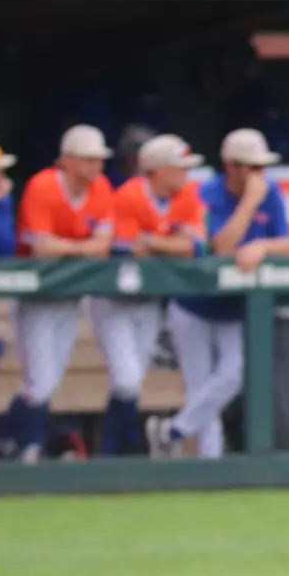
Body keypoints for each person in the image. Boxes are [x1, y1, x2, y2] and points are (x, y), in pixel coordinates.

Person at [148, 129, 289, 459]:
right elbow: (219, 246)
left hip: (234, 309)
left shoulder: (270, 191)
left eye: (261, 167)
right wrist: (249, 203)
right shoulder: (204, 192)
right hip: (193, 304)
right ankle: (208, 464)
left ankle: (171, 432)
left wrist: (261, 245)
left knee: (233, 376)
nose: (259, 175)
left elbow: (287, 241)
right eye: (251, 167)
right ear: (232, 166)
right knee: (200, 389)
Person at [0, 125, 114, 462]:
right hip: (36, 298)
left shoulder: (101, 188)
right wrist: (81, 249)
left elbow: (103, 246)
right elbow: (40, 248)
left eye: (99, 160)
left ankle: (9, 436)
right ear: (69, 160)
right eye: (89, 160)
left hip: (71, 299)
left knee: (45, 383)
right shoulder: (44, 185)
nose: (96, 167)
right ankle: (22, 443)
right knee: (41, 383)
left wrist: (68, 249)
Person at [96, 134, 206, 456]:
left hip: (148, 302)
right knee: (127, 380)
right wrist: (170, 243)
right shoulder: (128, 196)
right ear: (157, 170)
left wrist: (155, 242)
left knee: (130, 382)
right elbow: (126, 250)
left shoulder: (186, 195)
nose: (186, 173)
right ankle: (122, 448)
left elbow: (196, 248)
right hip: (112, 301)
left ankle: (114, 450)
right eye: (179, 167)